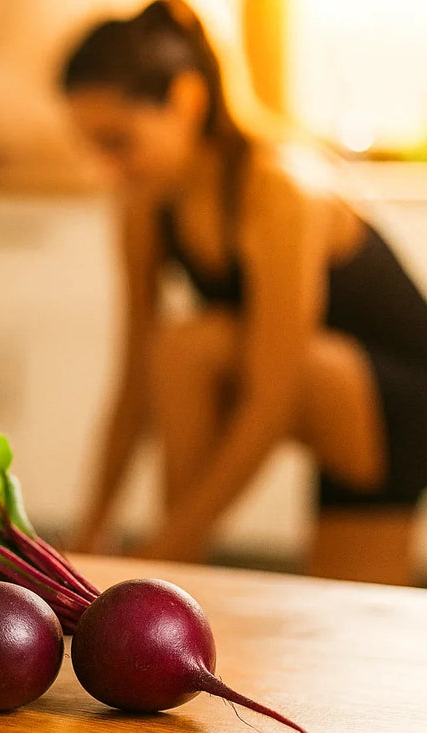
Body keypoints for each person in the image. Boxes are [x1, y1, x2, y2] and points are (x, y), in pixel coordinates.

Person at [61, 0, 427, 584]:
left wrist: (168, 547)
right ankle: (178, 576)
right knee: (350, 611)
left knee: (189, 347)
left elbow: (272, 396)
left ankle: (177, 571)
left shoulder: (278, 188)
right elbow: (133, 381)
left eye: (119, 141)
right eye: (92, 147)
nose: (107, 167)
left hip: (401, 401)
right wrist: (90, 535)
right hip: (326, 387)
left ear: (185, 100)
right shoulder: (146, 204)